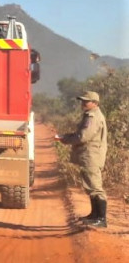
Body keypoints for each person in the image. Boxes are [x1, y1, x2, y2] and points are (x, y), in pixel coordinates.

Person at [56, 91, 108, 228]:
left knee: (95, 187)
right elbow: (81, 134)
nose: (83, 103)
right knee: (90, 185)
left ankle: (101, 219)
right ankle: (94, 215)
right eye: (82, 101)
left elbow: (83, 137)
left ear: (95, 103)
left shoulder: (93, 117)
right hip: (89, 155)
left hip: (92, 155)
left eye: (86, 101)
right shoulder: (90, 115)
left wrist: (65, 139)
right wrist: (66, 137)